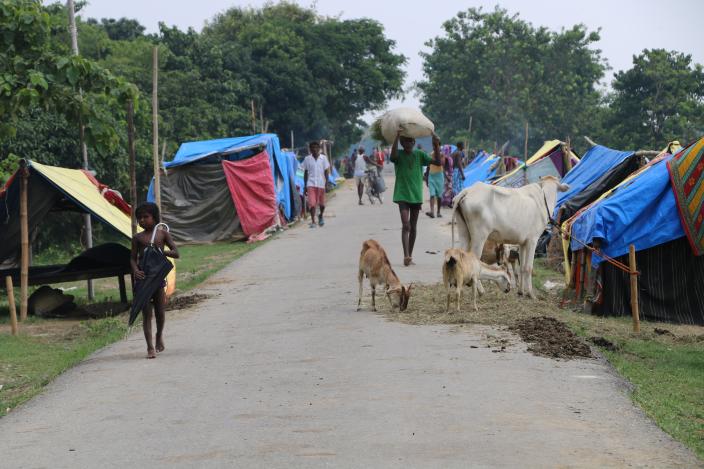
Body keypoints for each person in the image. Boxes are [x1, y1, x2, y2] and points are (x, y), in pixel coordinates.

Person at [131, 202, 179, 359]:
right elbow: (132, 259)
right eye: (140, 218)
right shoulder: (137, 238)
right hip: (143, 280)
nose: (143, 220)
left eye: (146, 217)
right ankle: (149, 347)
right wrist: (136, 271)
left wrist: (162, 252)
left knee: (160, 312)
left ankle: (159, 335)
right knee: (146, 314)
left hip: (158, 280)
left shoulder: (162, 234)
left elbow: (176, 253)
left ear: (155, 217)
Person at [391, 130, 441, 266]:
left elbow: (438, 162)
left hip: (416, 195)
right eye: (405, 141)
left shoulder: (419, 155)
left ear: (414, 142)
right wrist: (396, 137)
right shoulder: (398, 155)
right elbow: (392, 155)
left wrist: (436, 145)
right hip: (402, 195)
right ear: (402, 143)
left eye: (410, 141)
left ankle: (410, 256)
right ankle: (406, 255)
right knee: (405, 225)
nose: (408, 144)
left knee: (413, 226)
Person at [302, 141, 331, 227]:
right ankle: (313, 221)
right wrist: (305, 186)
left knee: (322, 205)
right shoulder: (307, 159)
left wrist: (327, 183)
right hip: (310, 184)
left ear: (319, 149)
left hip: (321, 184)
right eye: (312, 148)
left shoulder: (323, 158)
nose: (314, 149)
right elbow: (305, 172)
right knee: (312, 204)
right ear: (310, 149)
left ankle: (320, 215)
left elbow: (326, 171)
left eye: (316, 147)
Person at [426, 144, 445, 218]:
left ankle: (438, 212)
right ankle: (432, 212)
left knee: (439, 196)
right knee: (432, 194)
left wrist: (437, 156)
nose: (435, 147)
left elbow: (441, 164)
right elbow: (428, 166)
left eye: (437, 146)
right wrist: (427, 177)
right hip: (431, 176)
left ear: (439, 146)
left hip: (439, 176)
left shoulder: (442, 155)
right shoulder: (430, 154)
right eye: (434, 146)